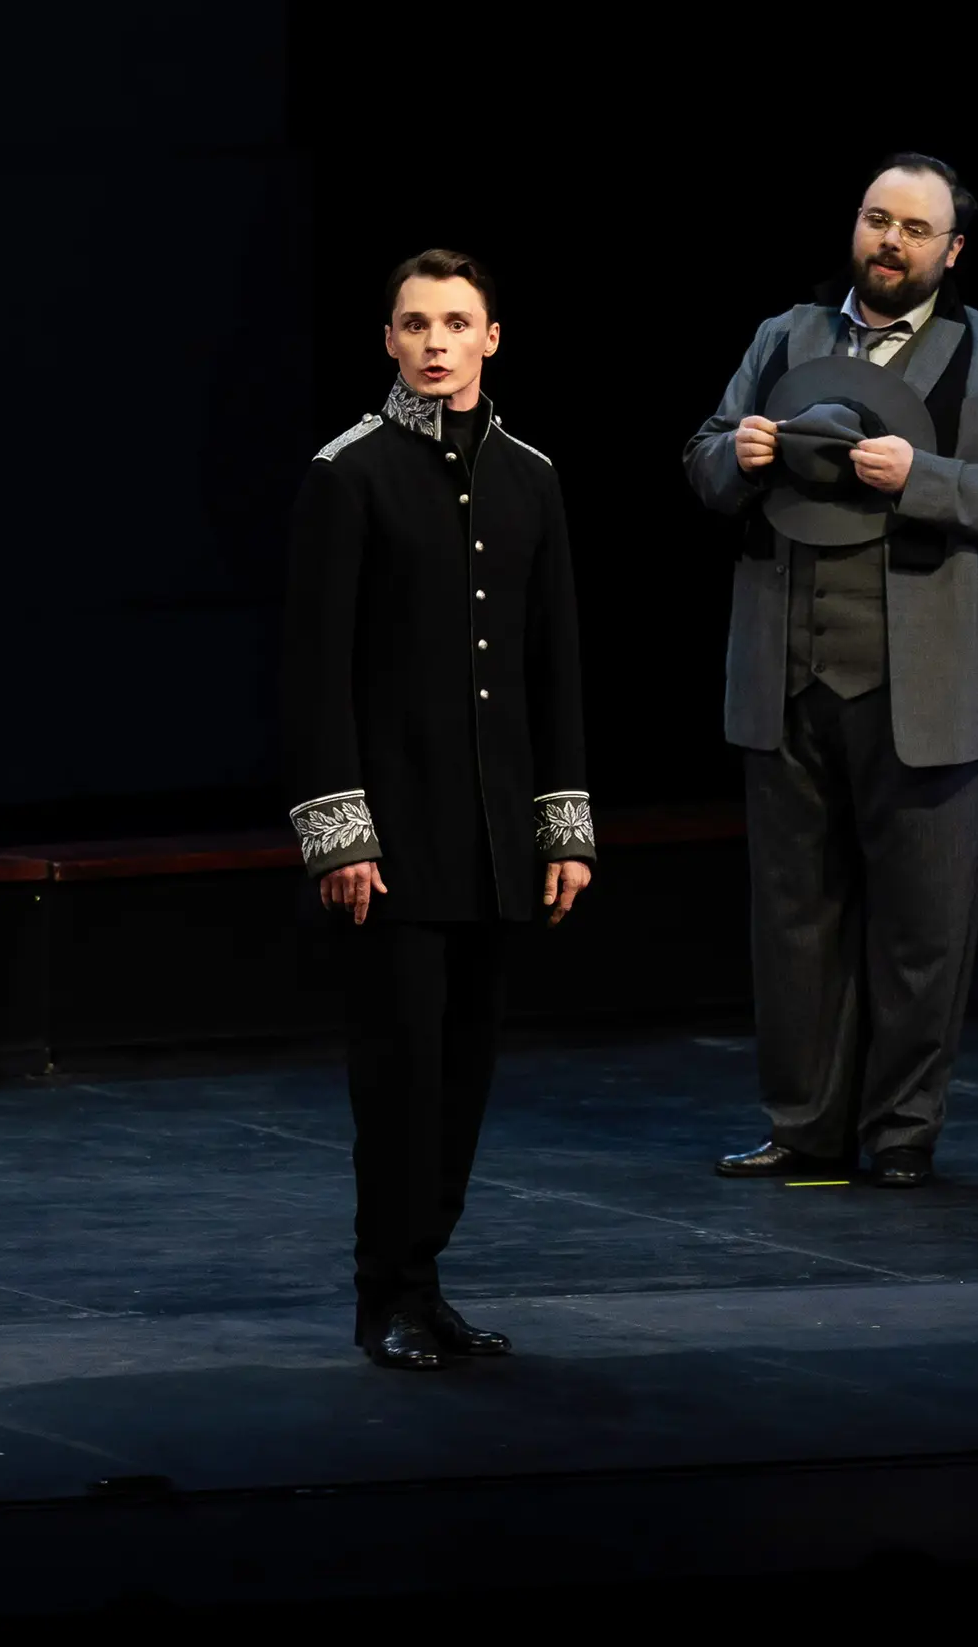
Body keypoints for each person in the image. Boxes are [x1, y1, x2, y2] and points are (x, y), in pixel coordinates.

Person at [684, 154, 978, 1188]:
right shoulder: (785, 337)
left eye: (913, 229)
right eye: (875, 219)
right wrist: (736, 456)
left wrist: (921, 477)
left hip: (933, 683)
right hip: (788, 670)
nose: (888, 242)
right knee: (793, 917)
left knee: (922, 926)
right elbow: (703, 455)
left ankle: (899, 1133)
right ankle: (804, 1129)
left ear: (952, 250)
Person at [283, 247, 594, 1368]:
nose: (434, 343)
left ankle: (428, 1280)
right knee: (400, 1077)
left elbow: (553, 664)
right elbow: (313, 672)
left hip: (494, 835)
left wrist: (563, 826)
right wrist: (339, 835)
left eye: (455, 323)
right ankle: (388, 1296)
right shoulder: (349, 473)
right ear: (388, 340)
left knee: (462, 1078)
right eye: (415, 324)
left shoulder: (530, 477)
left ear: (490, 339)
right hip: (394, 838)